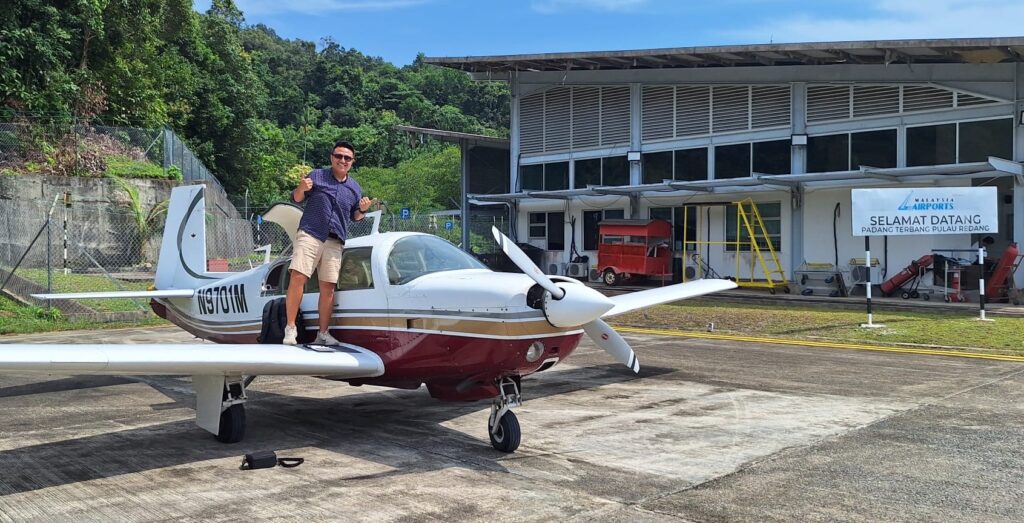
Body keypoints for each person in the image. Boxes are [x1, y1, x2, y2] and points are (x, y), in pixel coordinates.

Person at [284, 140, 374, 345]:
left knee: (328, 287)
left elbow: (355, 217)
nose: (342, 160)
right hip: (311, 233)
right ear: (331, 157)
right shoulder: (316, 175)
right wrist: (301, 187)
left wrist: (363, 209)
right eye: (339, 156)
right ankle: (290, 328)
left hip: (335, 240)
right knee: (298, 276)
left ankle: (322, 333)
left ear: (352, 162)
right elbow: (297, 198)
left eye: (347, 158)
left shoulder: (354, 188)